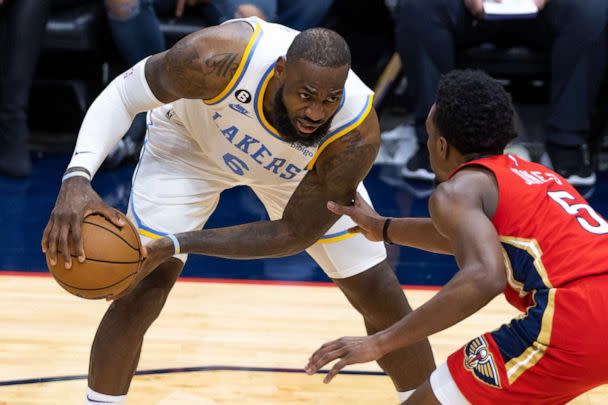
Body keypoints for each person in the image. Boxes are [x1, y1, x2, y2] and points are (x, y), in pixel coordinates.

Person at [41, 18, 436, 404]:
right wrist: (77, 176)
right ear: (281, 71)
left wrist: (179, 243)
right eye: (306, 95)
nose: (316, 112)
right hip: (189, 145)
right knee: (142, 281)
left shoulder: (354, 132)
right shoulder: (216, 59)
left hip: (298, 172)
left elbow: (293, 233)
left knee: (378, 292)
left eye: (329, 100)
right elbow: (125, 95)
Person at [305, 69, 608, 404]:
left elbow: (485, 275)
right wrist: (382, 228)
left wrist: (380, 342)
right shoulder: (536, 175)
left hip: (575, 319)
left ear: (441, 145)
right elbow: (465, 239)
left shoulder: (454, 191)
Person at [392, 0, 607, 185]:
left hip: (543, 13)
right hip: (468, 11)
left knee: (591, 10)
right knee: (418, 6)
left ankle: (566, 146)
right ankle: (435, 144)